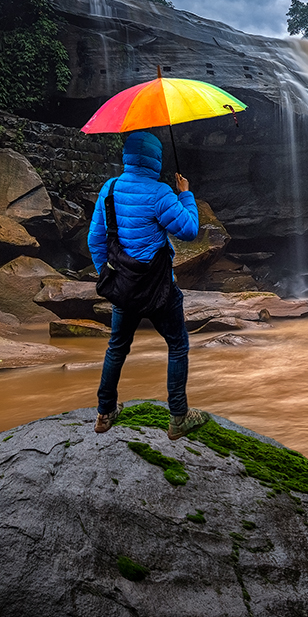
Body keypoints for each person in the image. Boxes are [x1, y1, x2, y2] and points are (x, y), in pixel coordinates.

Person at [87, 130, 210, 436]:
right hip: (159, 288)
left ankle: (104, 413)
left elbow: (95, 239)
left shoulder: (110, 189)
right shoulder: (160, 193)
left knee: (117, 348)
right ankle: (178, 417)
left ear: (127, 156)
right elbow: (190, 230)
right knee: (178, 345)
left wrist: (106, 274)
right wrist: (185, 193)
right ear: (156, 160)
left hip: (124, 288)